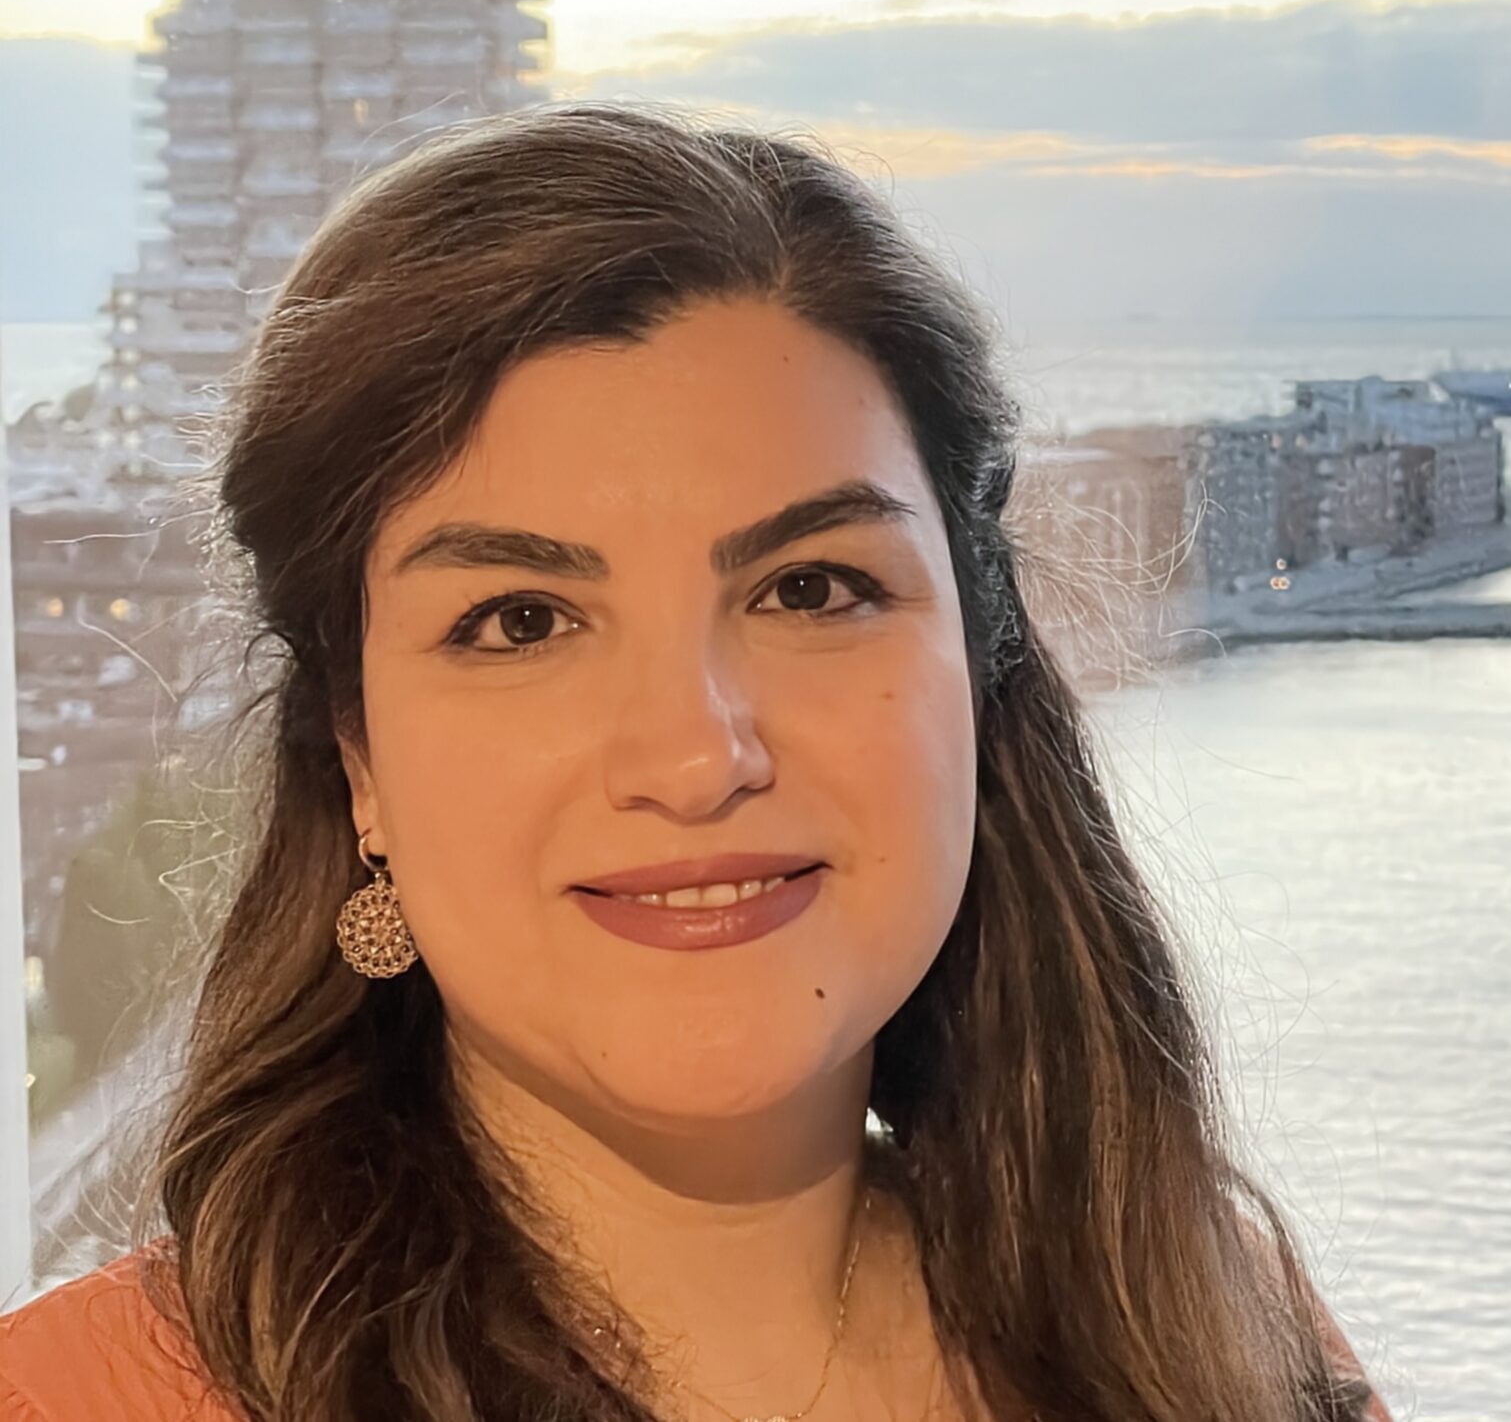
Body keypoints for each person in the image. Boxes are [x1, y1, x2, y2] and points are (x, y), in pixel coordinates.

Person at [0, 100, 1395, 1422]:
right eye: (521, 621)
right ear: (356, 759)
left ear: (980, 669)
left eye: (808, 591)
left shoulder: (1214, 1330)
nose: (694, 753)